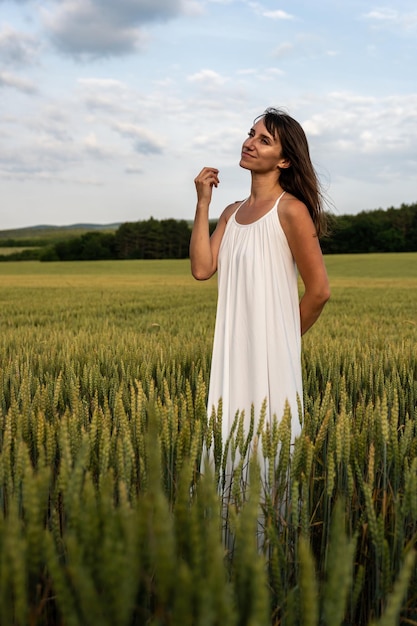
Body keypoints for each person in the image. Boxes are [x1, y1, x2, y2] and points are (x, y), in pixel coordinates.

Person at [190, 107, 330, 486]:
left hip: (272, 362)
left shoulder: (292, 211)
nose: (249, 143)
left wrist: (280, 343)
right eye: (251, 133)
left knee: (270, 455)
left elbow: (319, 292)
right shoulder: (231, 212)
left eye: (263, 140)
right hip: (230, 357)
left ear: (284, 160)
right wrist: (203, 203)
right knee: (227, 449)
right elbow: (202, 269)